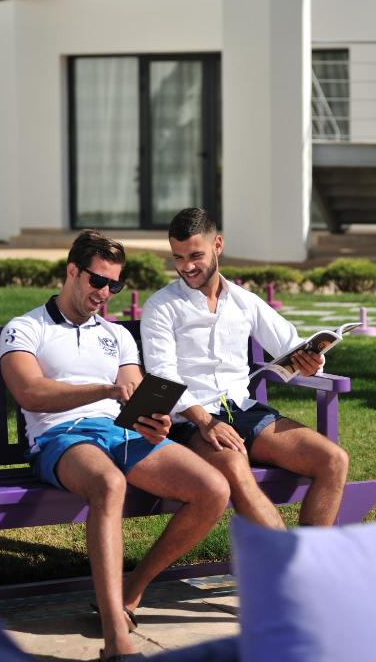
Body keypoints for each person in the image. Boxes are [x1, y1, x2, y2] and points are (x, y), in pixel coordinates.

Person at [0, 229, 230, 662]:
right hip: (60, 436)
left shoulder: (117, 335)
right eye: (98, 281)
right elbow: (31, 393)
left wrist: (154, 421)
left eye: (114, 285)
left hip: (119, 433)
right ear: (72, 271)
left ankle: (131, 591)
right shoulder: (25, 328)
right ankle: (116, 641)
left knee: (213, 489)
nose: (105, 293)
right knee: (109, 484)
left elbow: (135, 391)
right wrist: (105, 390)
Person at [141, 208, 349, 530]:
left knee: (333, 460)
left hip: (244, 411)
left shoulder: (244, 301)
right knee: (235, 465)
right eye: (178, 258)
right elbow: (161, 377)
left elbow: (291, 345)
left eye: (195, 256)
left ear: (218, 245)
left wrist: (312, 361)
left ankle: (305, 555)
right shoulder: (161, 306)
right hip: (191, 421)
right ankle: (288, 558)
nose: (187, 267)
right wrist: (206, 422)